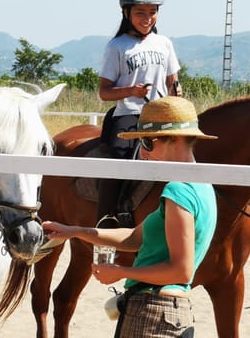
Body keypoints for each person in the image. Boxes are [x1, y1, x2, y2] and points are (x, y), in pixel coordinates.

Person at [43, 96, 218, 337]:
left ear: (175, 140)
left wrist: (122, 272)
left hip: (152, 314)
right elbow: (135, 237)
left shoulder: (178, 190)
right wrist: (74, 231)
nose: (142, 154)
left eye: (147, 143)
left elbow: (181, 271)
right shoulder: (202, 186)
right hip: (169, 313)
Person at [97, 0, 182, 228]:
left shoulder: (164, 43)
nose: (147, 18)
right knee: (118, 157)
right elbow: (104, 92)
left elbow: (173, 82)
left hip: (162, 115)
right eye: (140, 12)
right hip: (129, 114)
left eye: (153, 12)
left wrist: (177, 98)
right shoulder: (117, 47)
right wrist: (130, 91)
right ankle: (107, 217)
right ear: (126, 13)